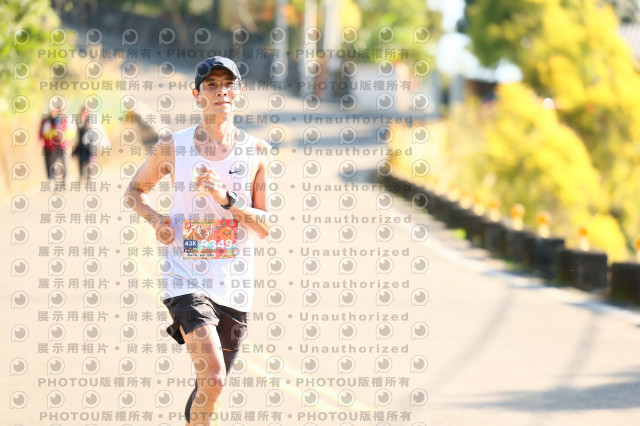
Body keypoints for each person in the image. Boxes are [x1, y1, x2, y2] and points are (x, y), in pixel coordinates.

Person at [124, 56, 272, 426]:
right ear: (197, 94)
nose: (221, 91)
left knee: (210, 388)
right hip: (185, 277)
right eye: (211, 85)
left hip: (235, 283)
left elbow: (265, 225)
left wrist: (228, 200)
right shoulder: (173, 146)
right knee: (214, 377)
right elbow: (134, 191)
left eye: (228, 84)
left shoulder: (256, 151)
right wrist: (156, 219)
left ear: (238, 91)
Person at [39, 104, 75, 190]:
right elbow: (42, 133)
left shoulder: (66, 120)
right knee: (52, 164)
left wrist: (66, 140)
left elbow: (71, 133)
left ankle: (63, 182)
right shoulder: (46, 121)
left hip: (63, 145)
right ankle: (53, 182)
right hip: (51, 146)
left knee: (64, 163)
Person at [73, 106, 98, 183]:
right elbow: (76, 129)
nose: (85, 113)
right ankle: (81, 176)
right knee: (81, 161)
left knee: (89, 161)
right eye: (84, 111)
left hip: (90, 144)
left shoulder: (92, 120)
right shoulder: (79, 120)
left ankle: (88, 177)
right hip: (81, 144)